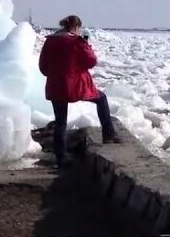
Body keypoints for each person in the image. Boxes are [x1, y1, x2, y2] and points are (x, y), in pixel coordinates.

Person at [37, 15, 116, 164]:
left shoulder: (50, 41)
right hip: (76, 87)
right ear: (76, 28)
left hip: (55, 86)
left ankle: (60, 157)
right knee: (101, 99)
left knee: (61, 121)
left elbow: (43, 66)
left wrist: (54, 75)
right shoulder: (76, 42)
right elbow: (91, 61)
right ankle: (109, 135)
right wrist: (86, 45)